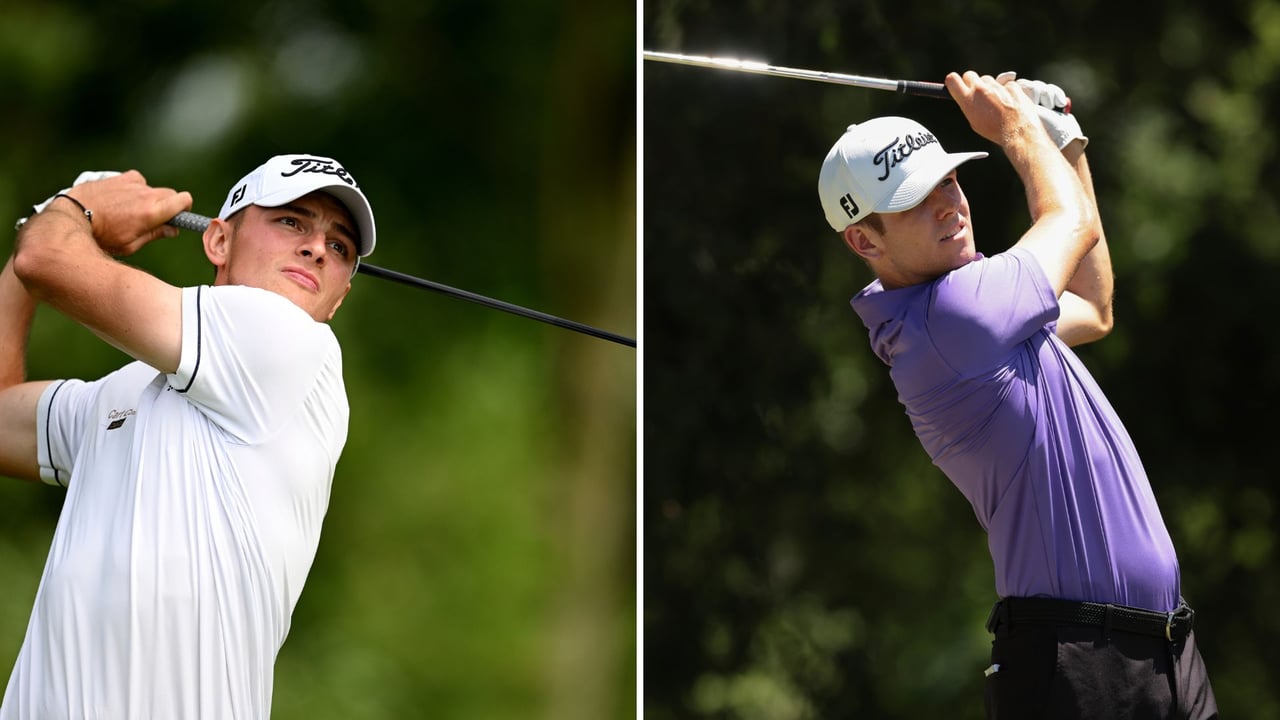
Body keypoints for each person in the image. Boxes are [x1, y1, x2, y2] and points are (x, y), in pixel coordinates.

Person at [816, 71, 1217, 718]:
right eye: (915, 198)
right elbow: (1069, 221)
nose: (949, 203)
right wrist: (1019, 127)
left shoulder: (985, 307)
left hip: (1162, 646)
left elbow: (1093, 305)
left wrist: (1063, 142)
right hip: (1075, 659)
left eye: (948, 178)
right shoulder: (952, 319)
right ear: (864, 240)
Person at [0, 153, 376, 719]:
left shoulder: (291, 344)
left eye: (340, 247)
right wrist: (50, 219)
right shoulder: (123, 392)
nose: (318, 248)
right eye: (292, 221)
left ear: (340, 295)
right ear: (218, 241)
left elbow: (46, 259)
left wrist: (73, 212)